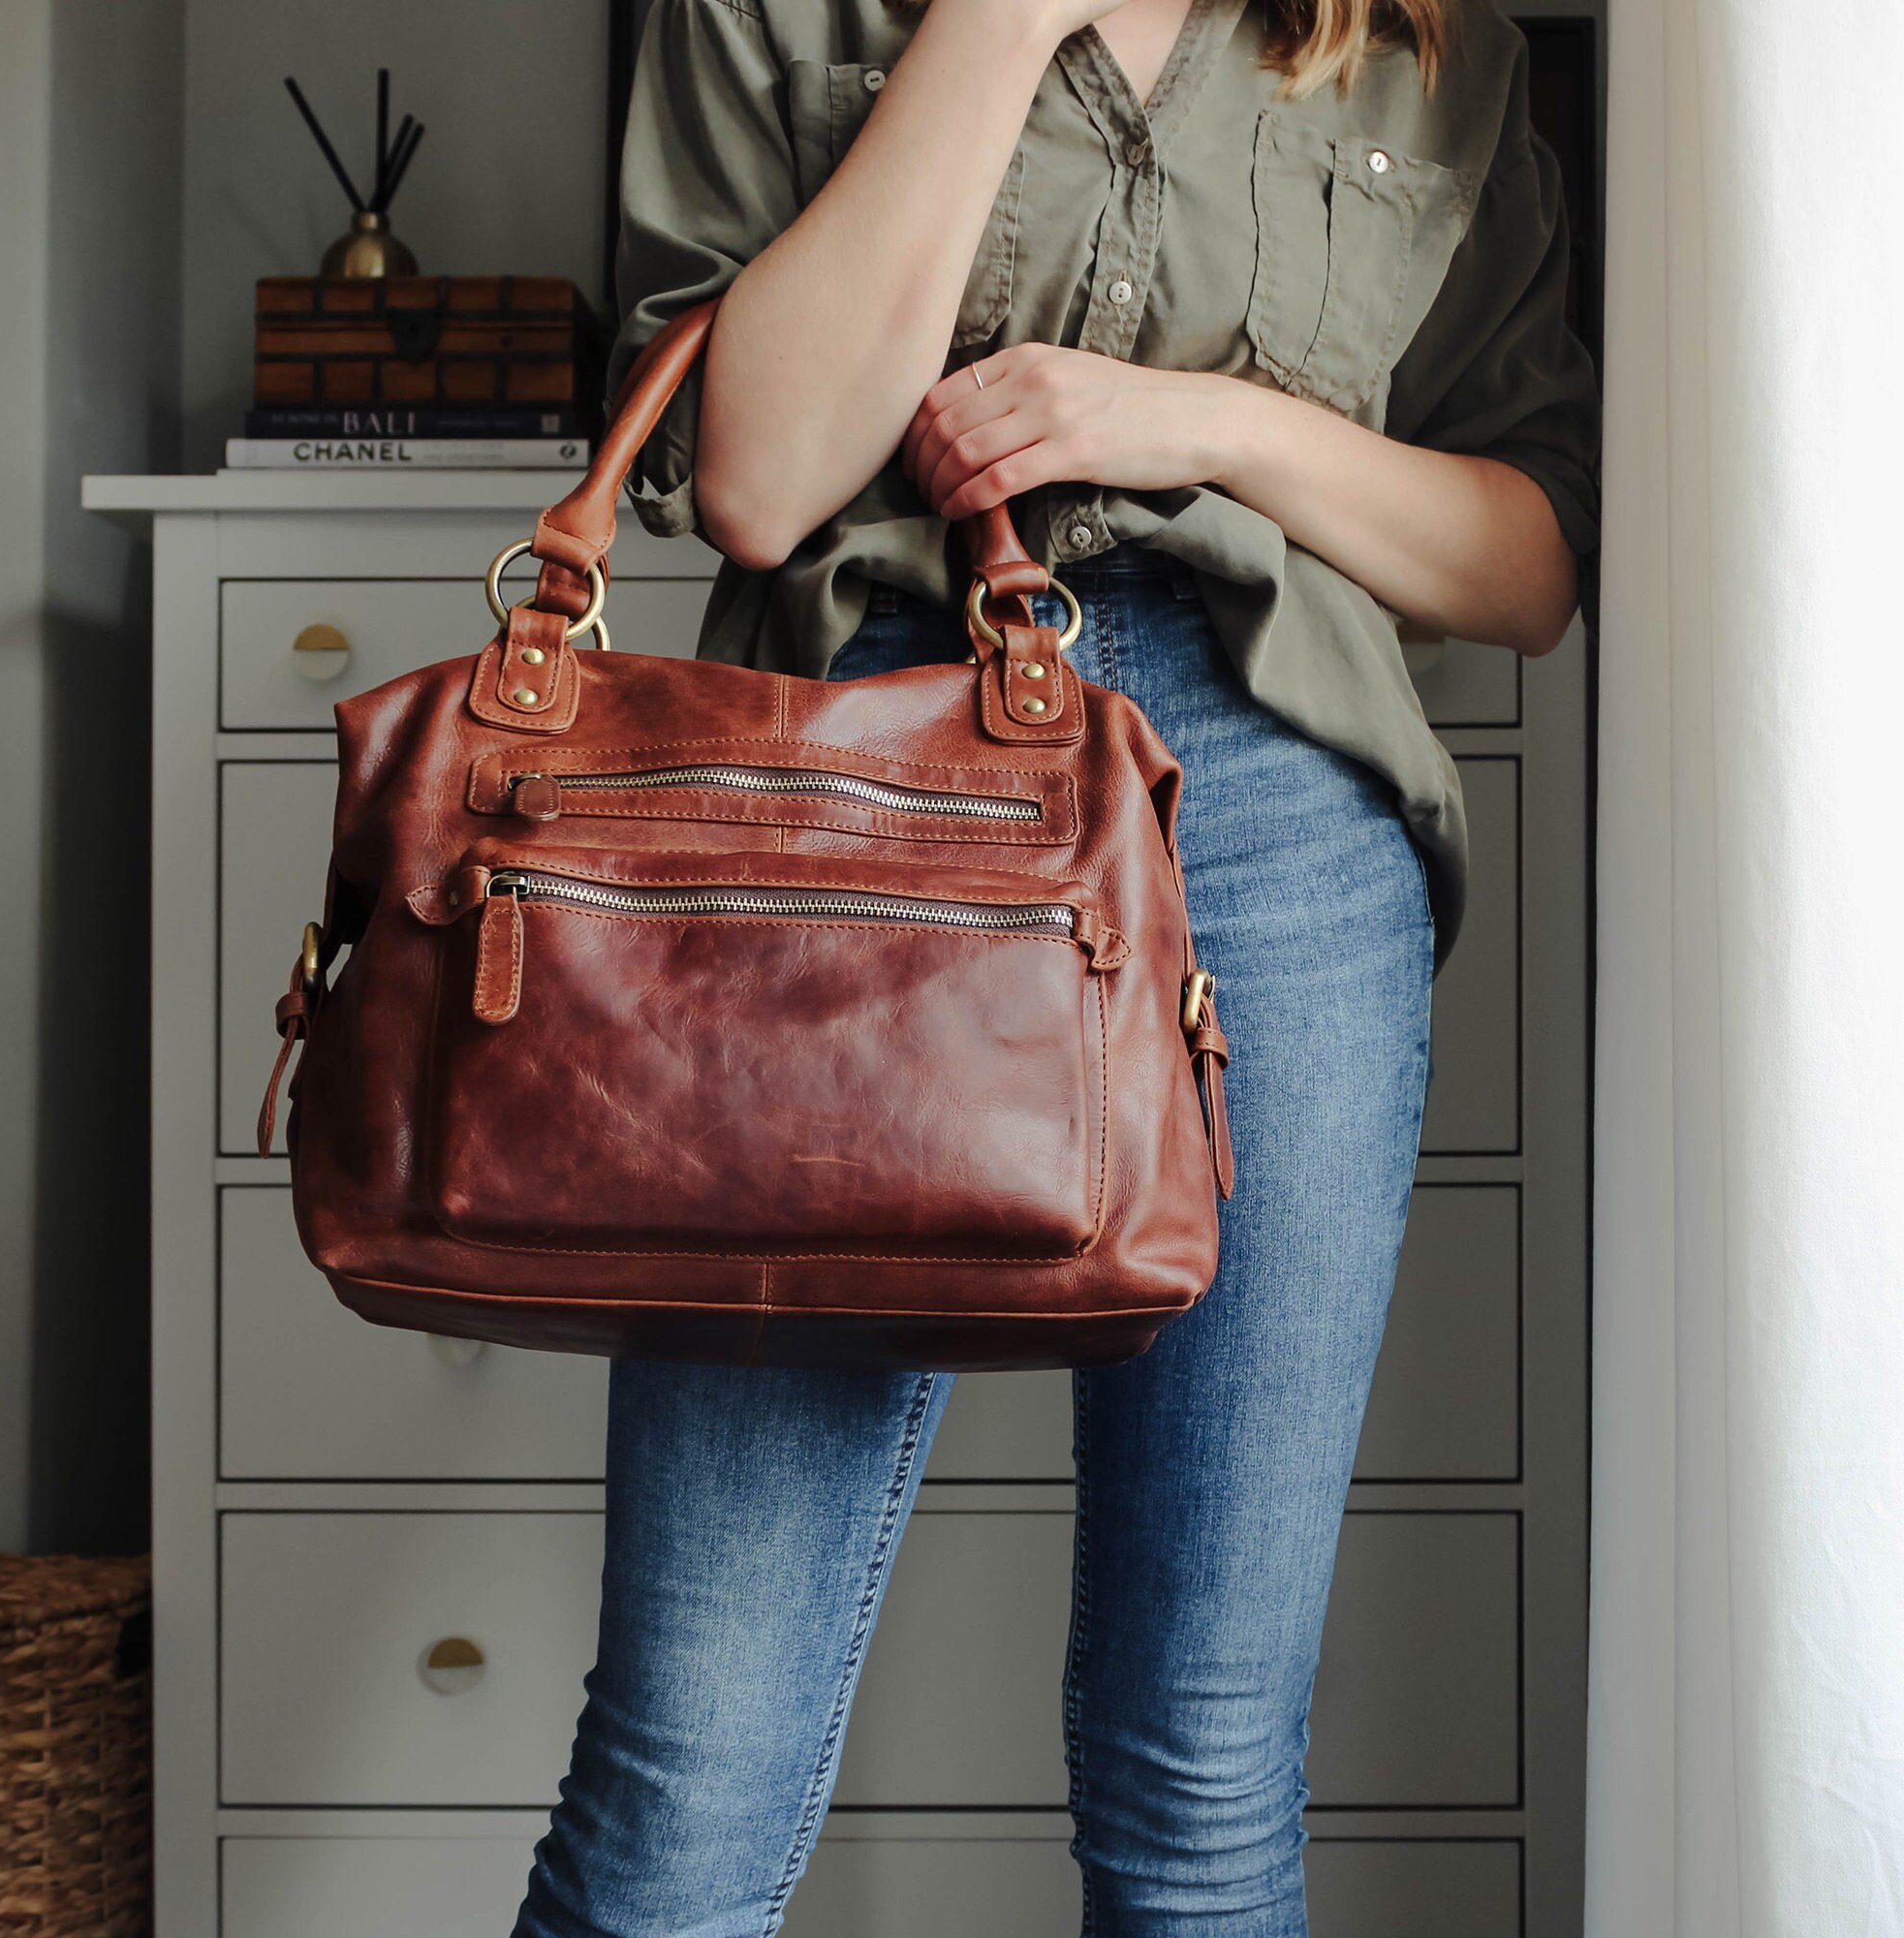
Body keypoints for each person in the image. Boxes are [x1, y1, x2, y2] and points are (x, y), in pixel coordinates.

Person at [513, 0, 1600, 1931]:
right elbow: (759, 477)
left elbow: (1525, 558)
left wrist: (1198, 426)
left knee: (1201, 1765)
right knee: (694, 1754)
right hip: (860, 822)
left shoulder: (1431, 47)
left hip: (1276, 814)